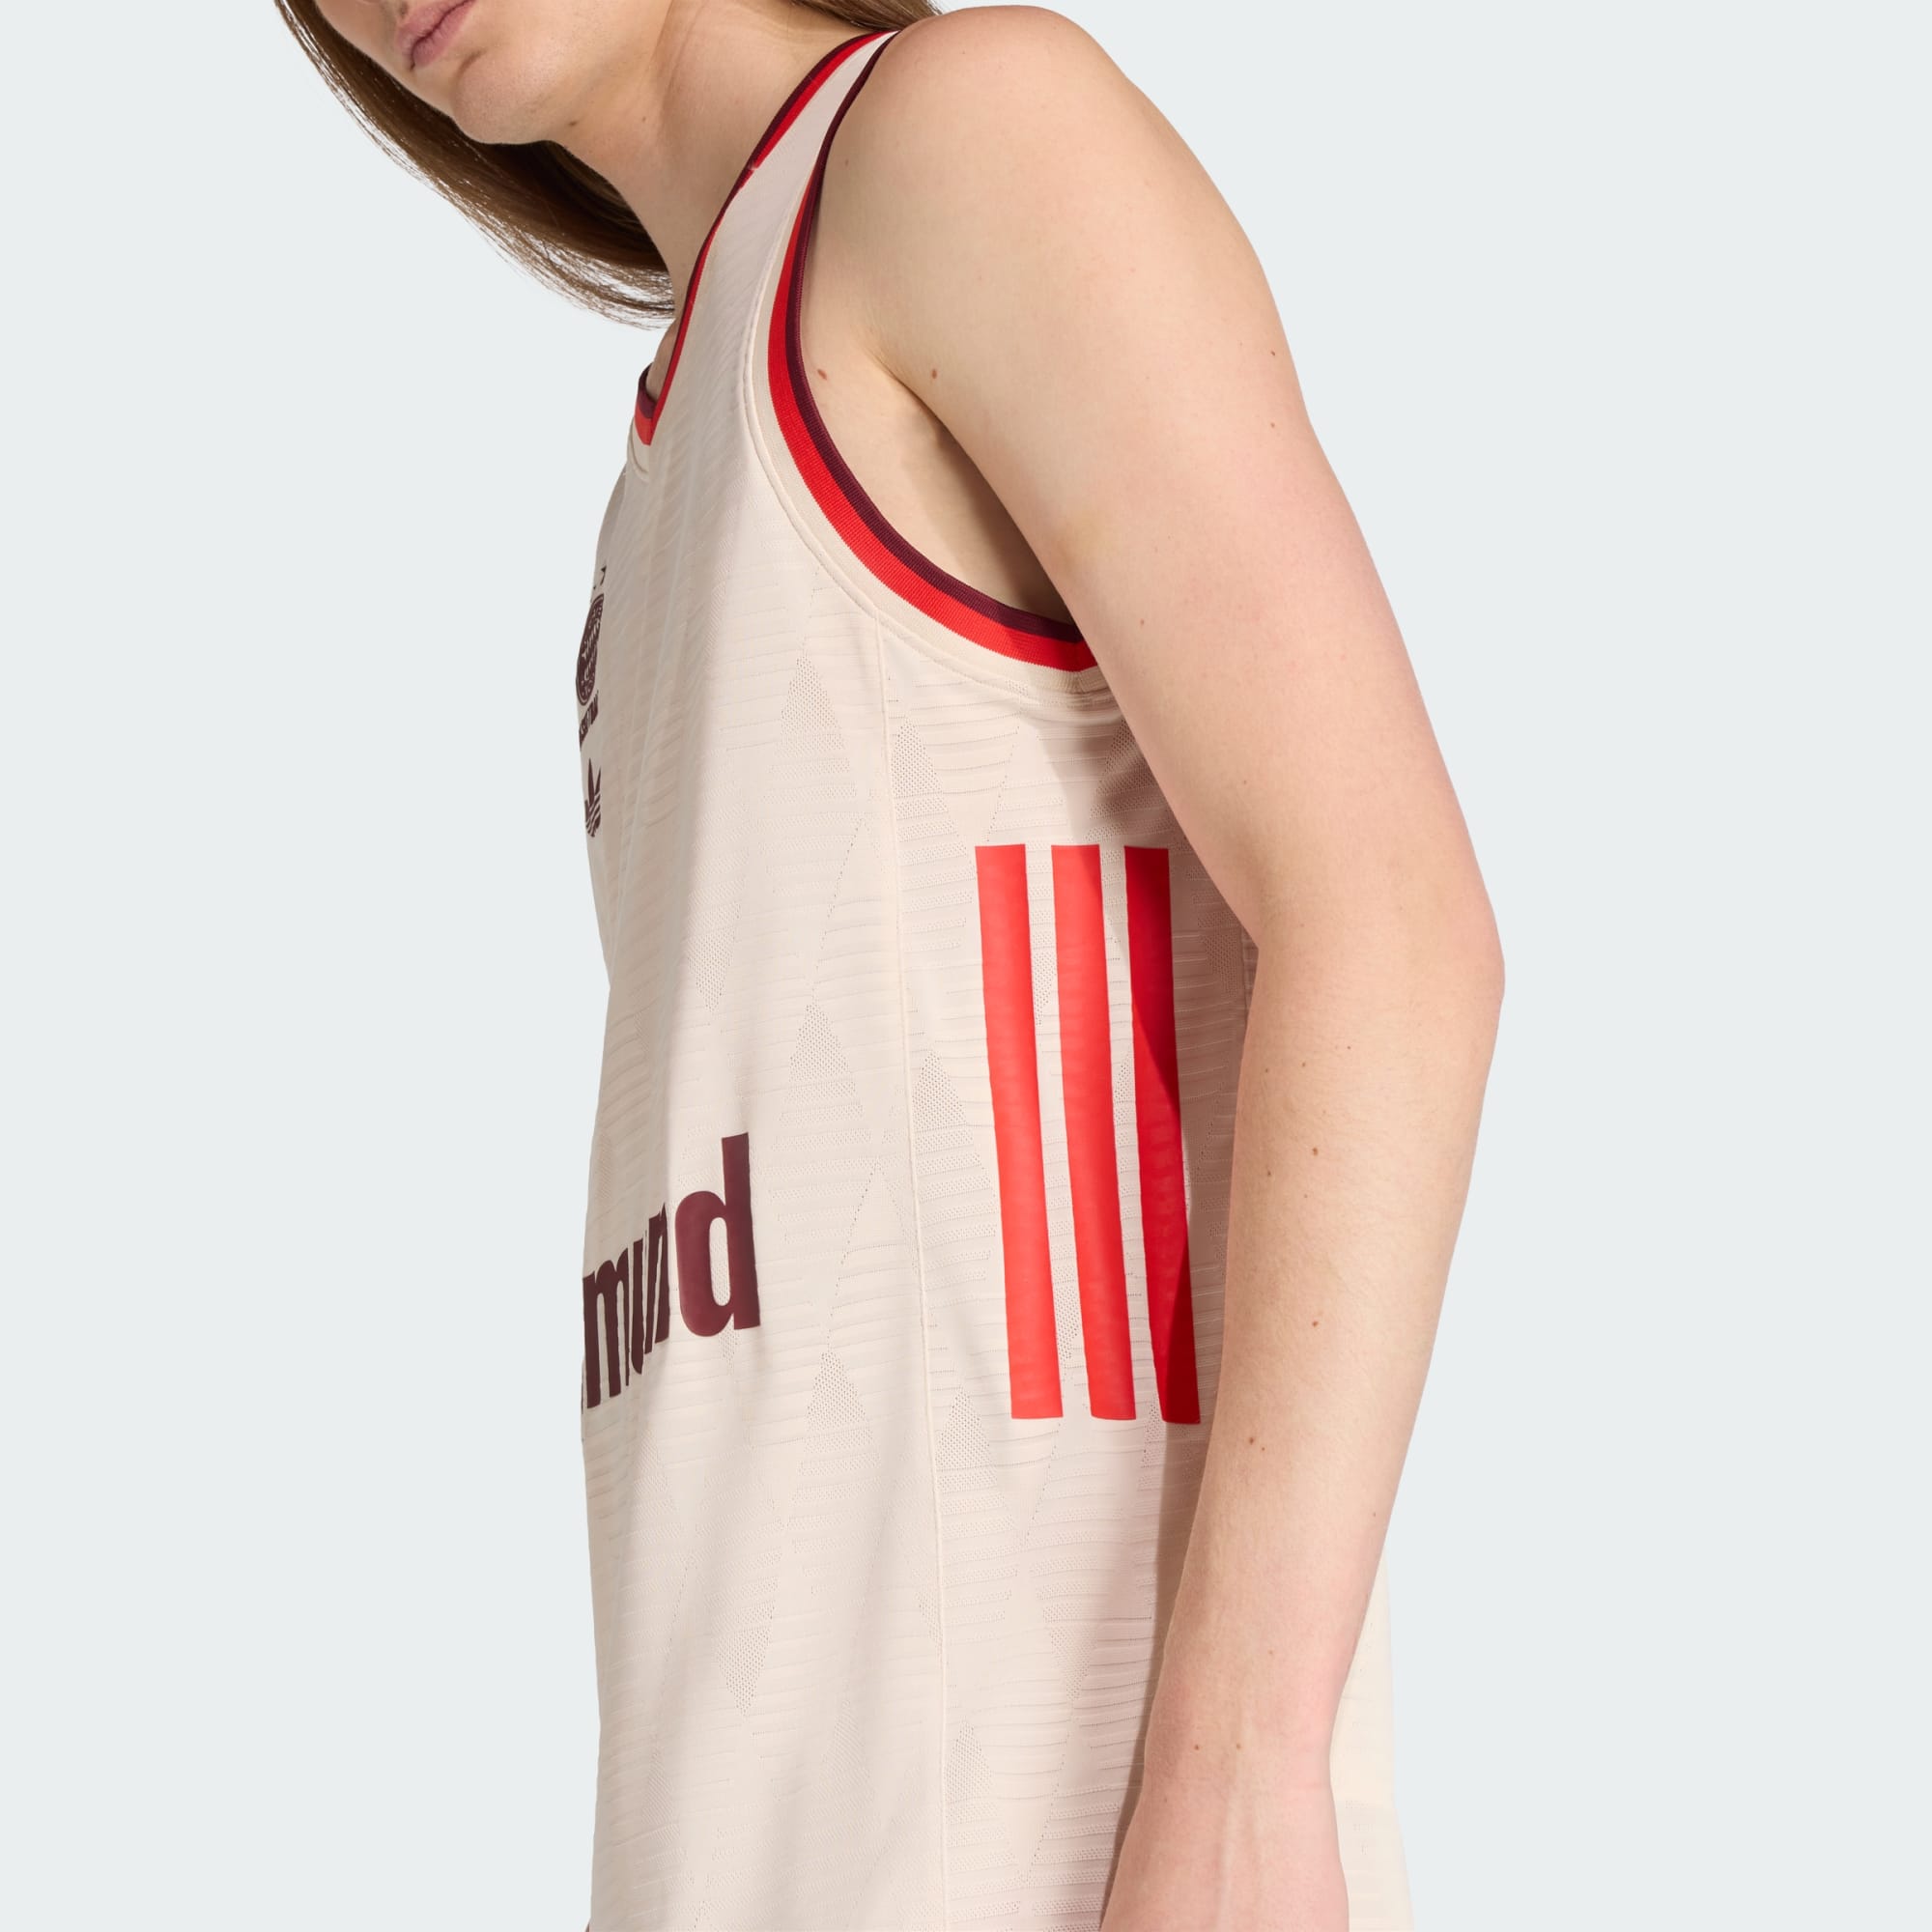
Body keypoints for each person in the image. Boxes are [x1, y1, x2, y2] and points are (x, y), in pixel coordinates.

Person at [280, 1, 1504, 1926]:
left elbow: (1388, 917)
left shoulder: (959, 140)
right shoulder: (667, 464)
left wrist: (1244, 1770)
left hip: (1064, 1847)